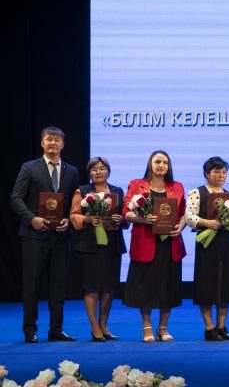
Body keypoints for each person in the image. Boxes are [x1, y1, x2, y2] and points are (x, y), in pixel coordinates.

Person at [10, 126, 79, 343]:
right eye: (49, 139)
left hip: (60, 236)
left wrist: (68, 219)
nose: (53, 143)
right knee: (31, 284)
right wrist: (32, 219)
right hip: (34, 234)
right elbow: (16, 198)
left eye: (57, 140)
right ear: (42, 143)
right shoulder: (29, 167)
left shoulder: (72, 171)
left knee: (58, 285)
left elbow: (74, 202)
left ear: (63, 144)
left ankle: (56, 329)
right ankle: (30, 330)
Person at [122, 150, 186, 342]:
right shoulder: (137, 184)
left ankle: (163, 328)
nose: (161, 165)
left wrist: (180, 227)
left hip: (170, 244)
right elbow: (126, 212)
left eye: (165, 162)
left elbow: (184, 213)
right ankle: (147, 326)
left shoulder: (177, 187)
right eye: (157, 161)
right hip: (145, 242)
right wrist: (142, 218)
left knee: (168, 286)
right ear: (150, 163)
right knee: (146, 287)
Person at [69, 157, 128, 342]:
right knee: (92, 287)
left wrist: (122, 220)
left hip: (112, 243)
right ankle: (94, 327)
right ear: (89, 173)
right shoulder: (82, 191)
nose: (98, 172)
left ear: (108, 171)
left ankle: (104, 325)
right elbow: (73, 216)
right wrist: (87, 219)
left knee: (109, 287)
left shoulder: (117, 191)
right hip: (90, 245)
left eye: (102, 168)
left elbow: (125, 217)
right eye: (94, 169)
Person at [185, 156, 229, 341]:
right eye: (216, 172)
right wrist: (207, 222)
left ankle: (221, 326)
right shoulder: (197, 192)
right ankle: (209, 328)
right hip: (206, 244)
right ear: (207, 174)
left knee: (226, 285)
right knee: (206, 285)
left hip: (226, 242)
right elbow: (188, 217)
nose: (221, 175)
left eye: (224, 172)